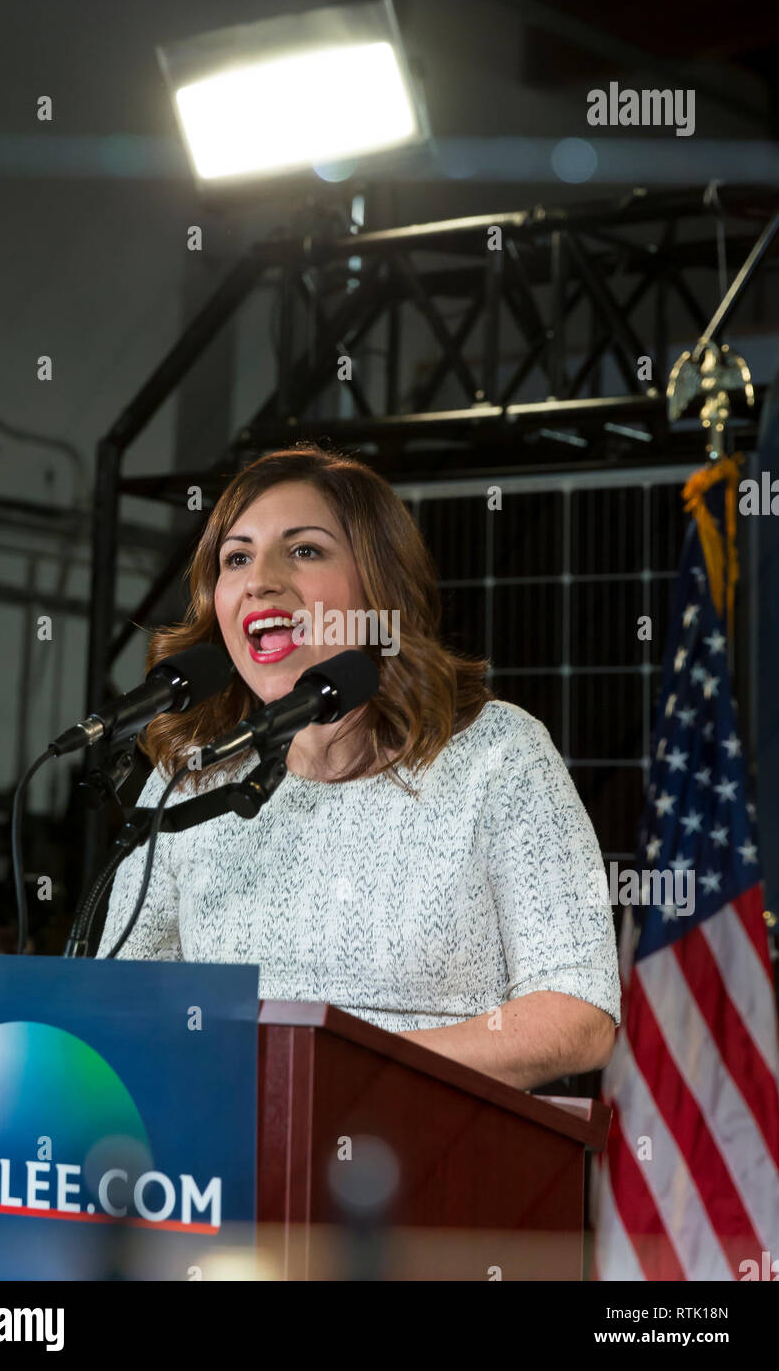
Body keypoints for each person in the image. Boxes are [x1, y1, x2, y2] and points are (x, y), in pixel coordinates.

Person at [97, 442, 620, 1091]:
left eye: (305, 549)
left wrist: (337, 1071)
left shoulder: (499, 754)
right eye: (237, 558)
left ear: (378, 585)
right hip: (225, 1166)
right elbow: (122, 1004)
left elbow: (577, 1015)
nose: (260, 577)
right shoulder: (194, 776)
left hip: (437, 1165)